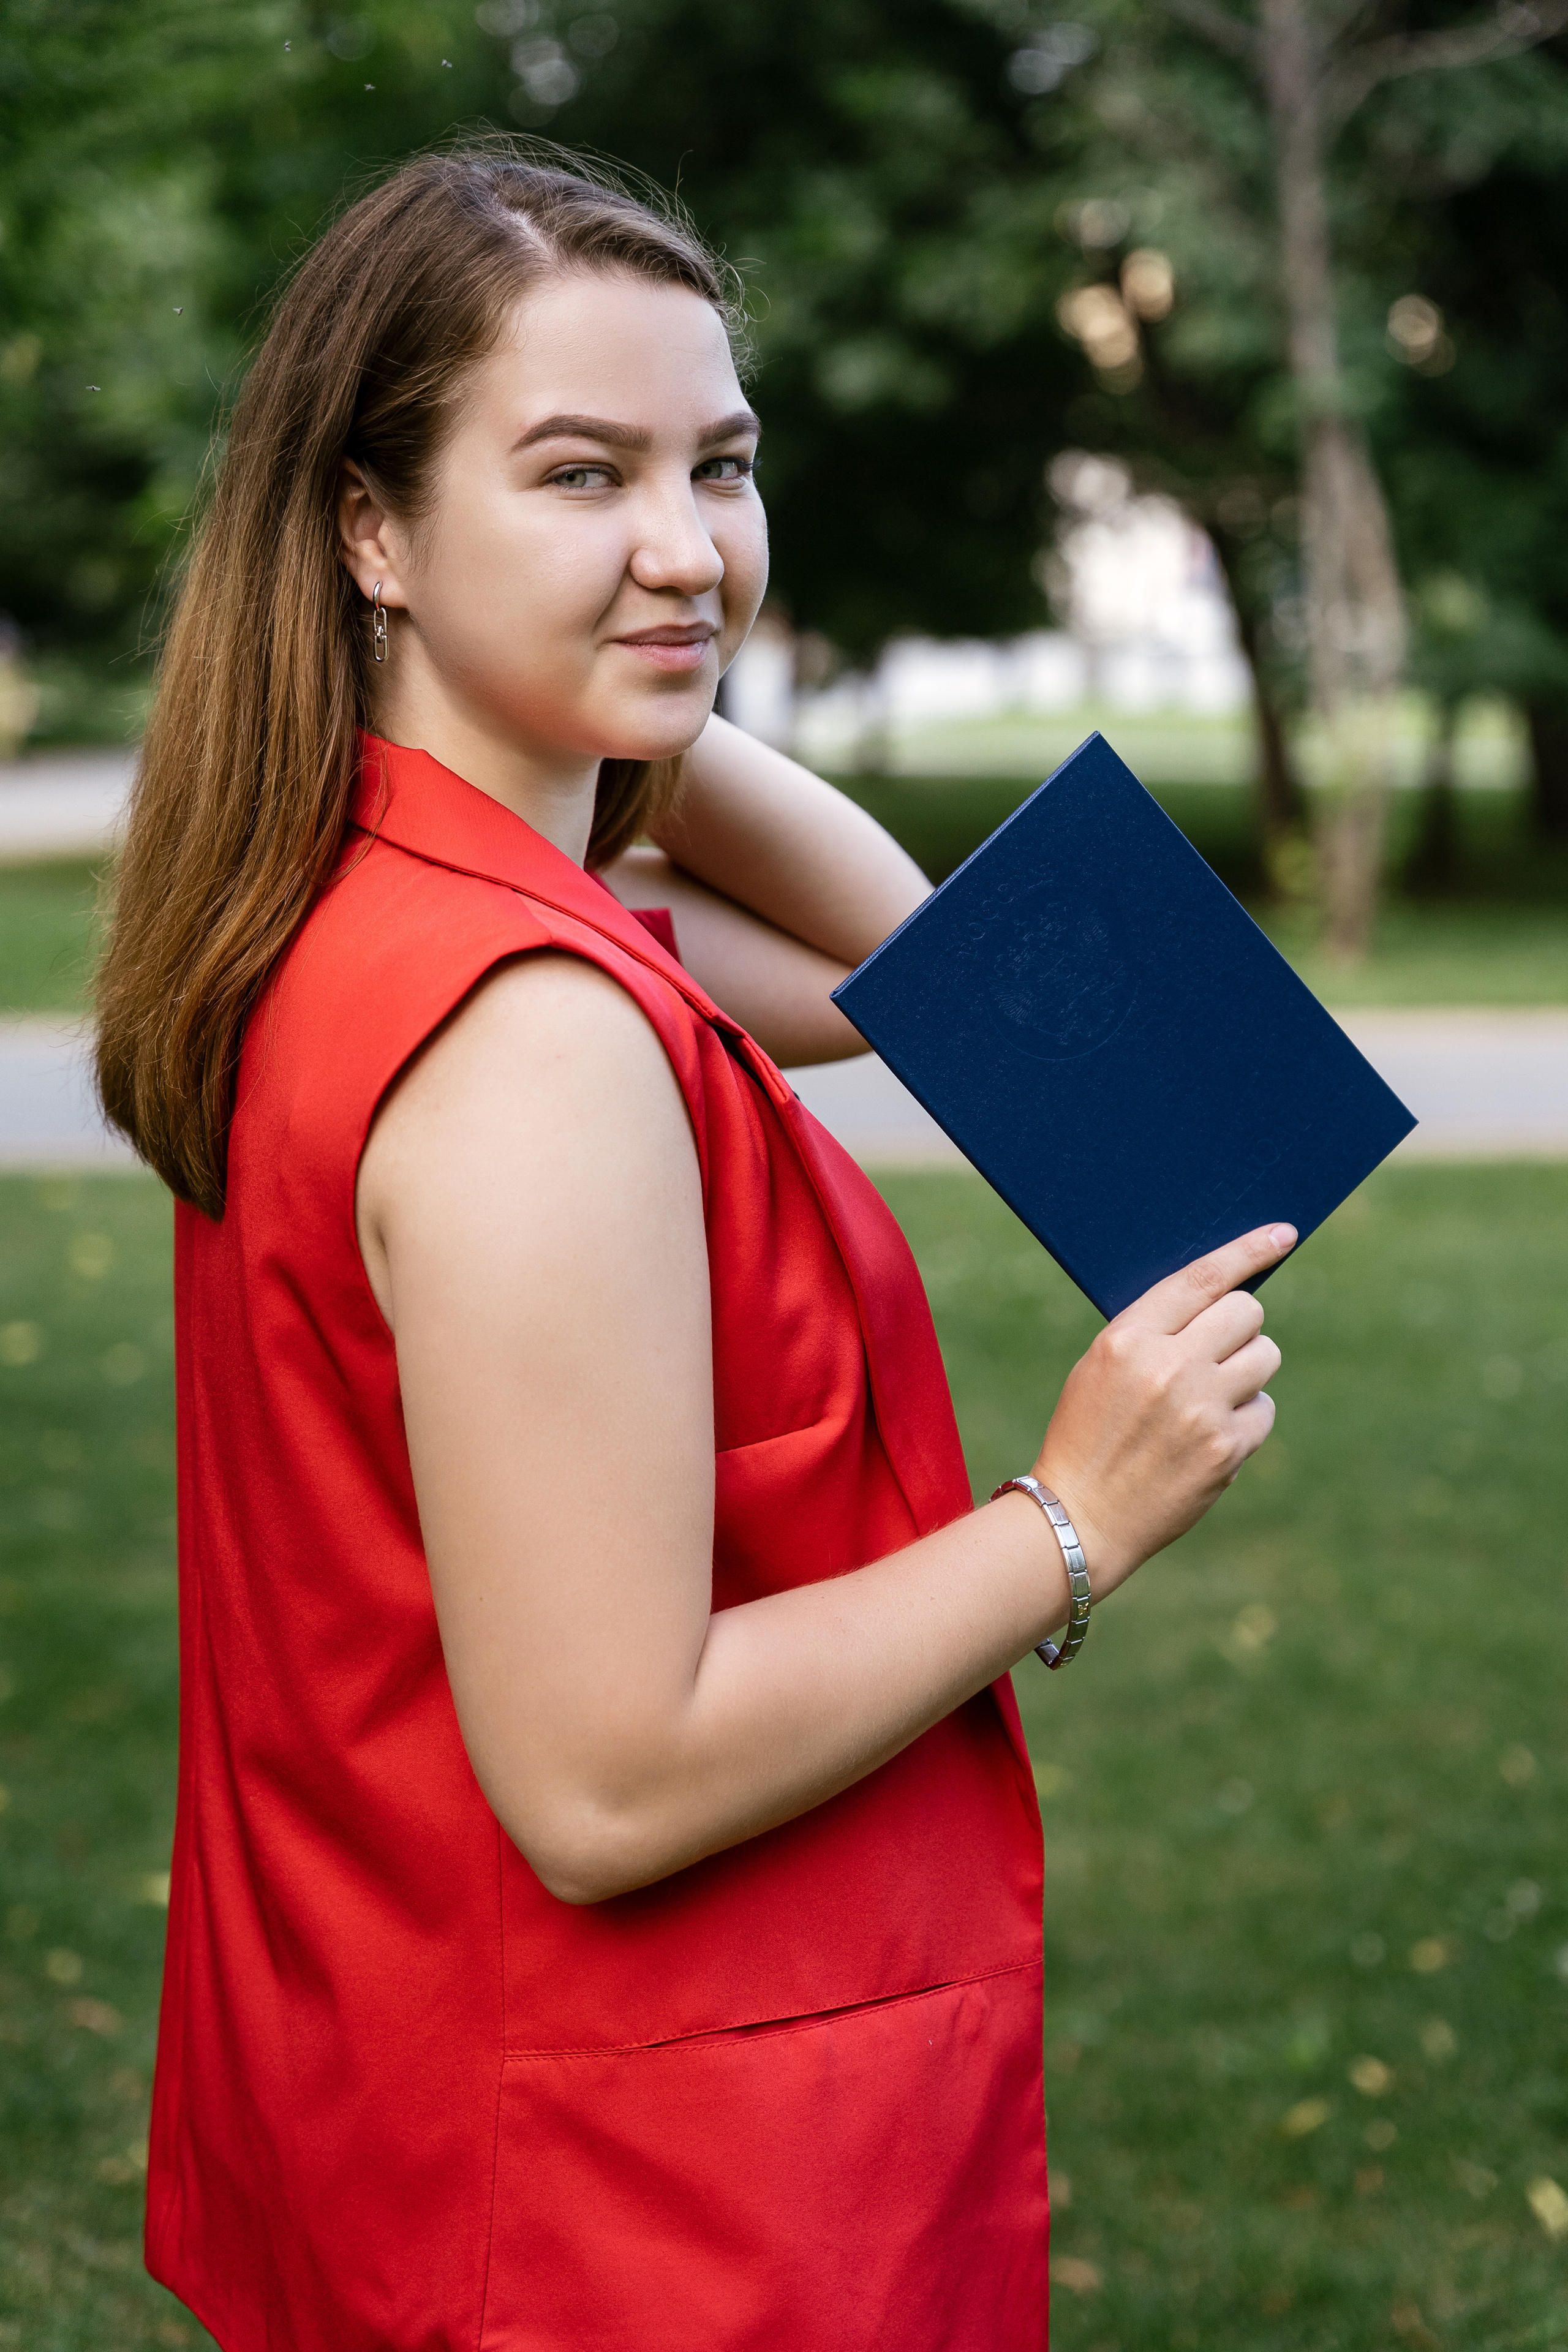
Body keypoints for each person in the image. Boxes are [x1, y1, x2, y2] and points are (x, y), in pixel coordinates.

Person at [94, 143, 1290, 2352]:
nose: (689, 543)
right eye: (580, 472)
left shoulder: (378, 897)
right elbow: (606, 1775)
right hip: (633, 2218)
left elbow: (940, 976)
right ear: (369, 530)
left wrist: (633, 650)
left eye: (720, 467)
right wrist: (1074, 1516)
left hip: (425, 2101)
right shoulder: (532, 1041)